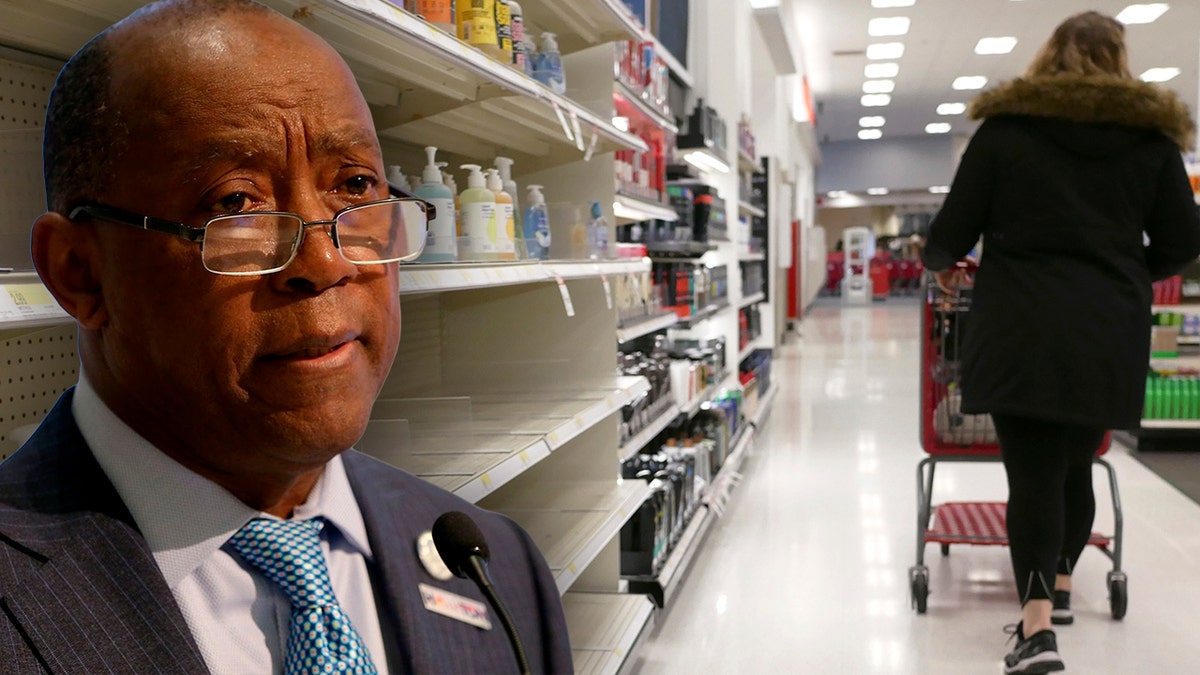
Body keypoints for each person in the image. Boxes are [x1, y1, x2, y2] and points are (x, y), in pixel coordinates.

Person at [0, 1, 573, 672]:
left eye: (356, 185)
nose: (327, 263)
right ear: (81, 275)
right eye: (234, 203)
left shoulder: (499, 568)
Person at [922, 10, 1200, 675]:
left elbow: (947, 236)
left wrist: (946, 259)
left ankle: (1038, 627)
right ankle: (1065, 584)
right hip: (1108, 325)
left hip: (1022, 323)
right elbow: (1184, 243)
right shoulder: (1152, 142)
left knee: (1034, 473)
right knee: (1079, 460)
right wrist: (1127, 270)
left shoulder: (1006, 133)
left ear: (1048, 57)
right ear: (1120, 61)